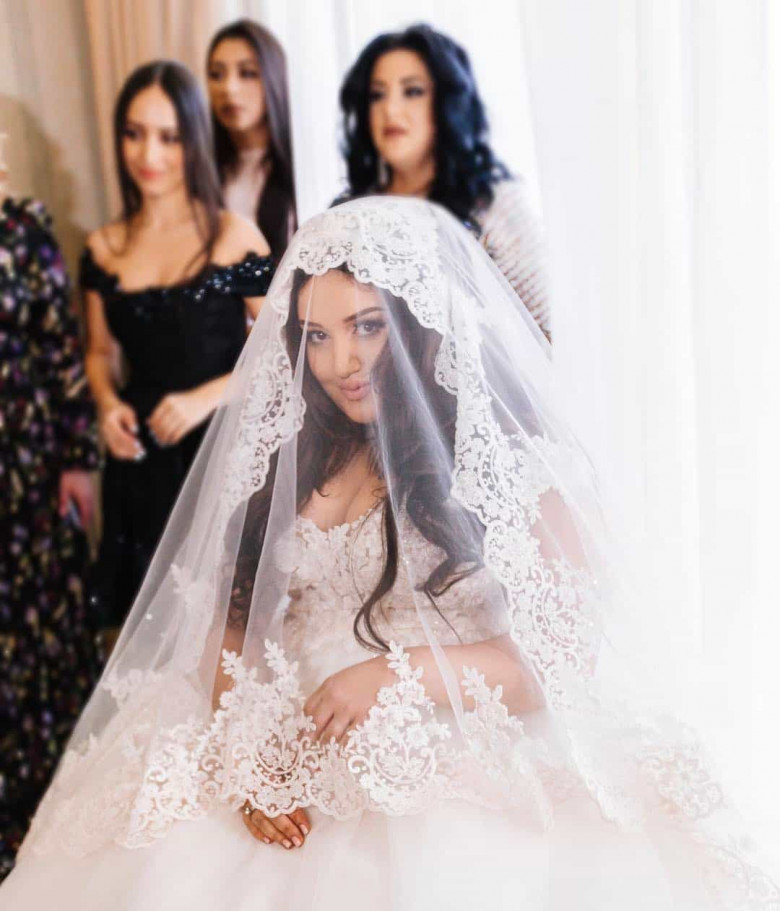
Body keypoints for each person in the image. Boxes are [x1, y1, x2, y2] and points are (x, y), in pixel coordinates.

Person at [1, 197, 775, 909]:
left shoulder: (509, 463)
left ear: (418, 319)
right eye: (318, 335)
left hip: (450, 748)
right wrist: (248, 753)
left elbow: (557, 662)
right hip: (287, 739)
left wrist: (393, 675)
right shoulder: (297, 455)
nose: (342, 360)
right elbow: (230, 620)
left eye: (367, 326)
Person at [81, 60, 273, 640]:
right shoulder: (103, 248)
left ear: (195, 142)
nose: (149, 154)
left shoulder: (235, 236)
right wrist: (106, 405)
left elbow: (288, 347)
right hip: (140, 461)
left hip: (223, 456)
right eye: (134, 133)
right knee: (145, 642)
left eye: (169, 137)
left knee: (228, 637)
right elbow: (98, 352)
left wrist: (206, 398)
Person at [0, 135, 101, 879]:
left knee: (44, 633)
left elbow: (63, 349)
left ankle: (56, 815)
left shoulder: (24, 229)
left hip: (31, 469)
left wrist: (79, 460)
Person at [338, 23, 549, 340]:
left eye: (412, 91)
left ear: (448, 102)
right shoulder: (348, 214)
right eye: (376, 95)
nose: (390, 109)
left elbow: (551, 332)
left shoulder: (492, 203)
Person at [207, 19, 297, 261]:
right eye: (216, 74)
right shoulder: (202, 171)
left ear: (273, 79)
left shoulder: (301, 171)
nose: (229, 88)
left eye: (247, 73)